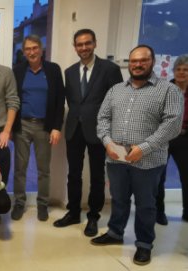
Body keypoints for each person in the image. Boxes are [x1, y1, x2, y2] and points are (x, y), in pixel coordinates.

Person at [92, 45, 183, 266]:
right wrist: (107, 142)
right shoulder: (116, 90)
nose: (138, 64)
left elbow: (172, 125)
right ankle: (115, 232)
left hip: (149, 160)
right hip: (116, 157)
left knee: (145, 204)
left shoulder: (168, 91)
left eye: (143, 60)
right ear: (129, 64)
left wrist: (144, 147)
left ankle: (144, 244)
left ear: (151, 61)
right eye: (133, 61)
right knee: (119, 199)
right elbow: (102, 119)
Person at [54, 29, 124, 236]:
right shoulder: (69, 72)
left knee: (97, 176)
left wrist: (114, 132)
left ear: (95, 43)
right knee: (73, 174)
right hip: (74, 129)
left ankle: (93, 216)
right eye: (79, 44)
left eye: (87, 43)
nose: (83, 48)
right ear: (75, 47)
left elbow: (117, 101)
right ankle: (73, 212)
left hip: (99, 131)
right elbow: (72, 101)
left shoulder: (110, 69)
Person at [11, 34, 65, 222]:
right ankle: (19, 203)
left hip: (45, 126)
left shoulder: (53, 70)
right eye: (28, 49)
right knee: (20, 168)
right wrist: (10, 127)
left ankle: (43, 205)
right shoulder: (17, 71)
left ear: (41, 50)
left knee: (43, 169)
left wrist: (57, 127)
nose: (32, 52)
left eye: (35, 48)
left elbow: (60, 100)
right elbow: (11, 99)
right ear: (24, 52)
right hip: (22, 126)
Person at [155, 54, 188, 225]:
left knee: (186, 176)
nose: (182, 73)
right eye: (178, 69)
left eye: (186, 70)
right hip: (166, 137)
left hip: (185, 138)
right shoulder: (166, 89)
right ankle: (159, 212)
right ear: (174, 71)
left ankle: (187, 212)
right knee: (159, 176)